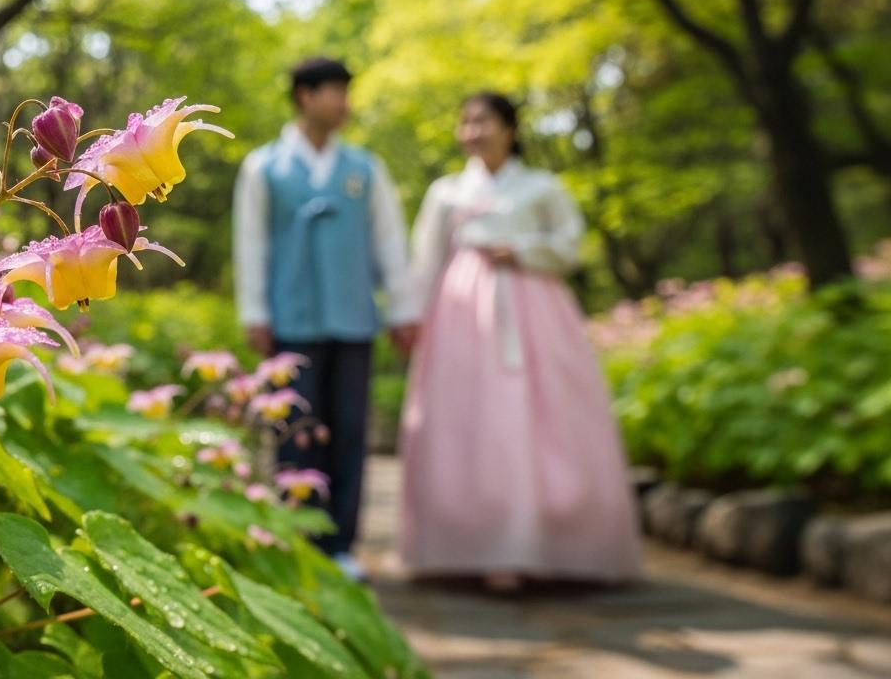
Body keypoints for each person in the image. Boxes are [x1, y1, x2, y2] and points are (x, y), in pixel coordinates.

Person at [397, 92, 642, 591]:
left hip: (537, 315)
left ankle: (551, 541)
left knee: (542, 418)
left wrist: (523, 249)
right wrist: (411, 318)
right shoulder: (445, 192)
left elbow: (571, 244)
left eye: (483, 120)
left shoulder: (542, 187)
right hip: (460, 319)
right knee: (469, 422)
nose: (472, 131)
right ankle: (475, 544)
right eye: (465, 121)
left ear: (510, 127)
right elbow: (423, 261)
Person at [233, 57, 418, 580]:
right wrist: (254, 312)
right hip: (290, 321)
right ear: (304, 97)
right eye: (334, 91)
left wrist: (403, 310)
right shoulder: (263, 166)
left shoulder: (365, 168)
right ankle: (299, 538)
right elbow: (251, 245)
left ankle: (341, 544)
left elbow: (389, 242)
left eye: (346, 92)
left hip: (354, 318)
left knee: (350, 429)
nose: (344, 103)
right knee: (293, 430)